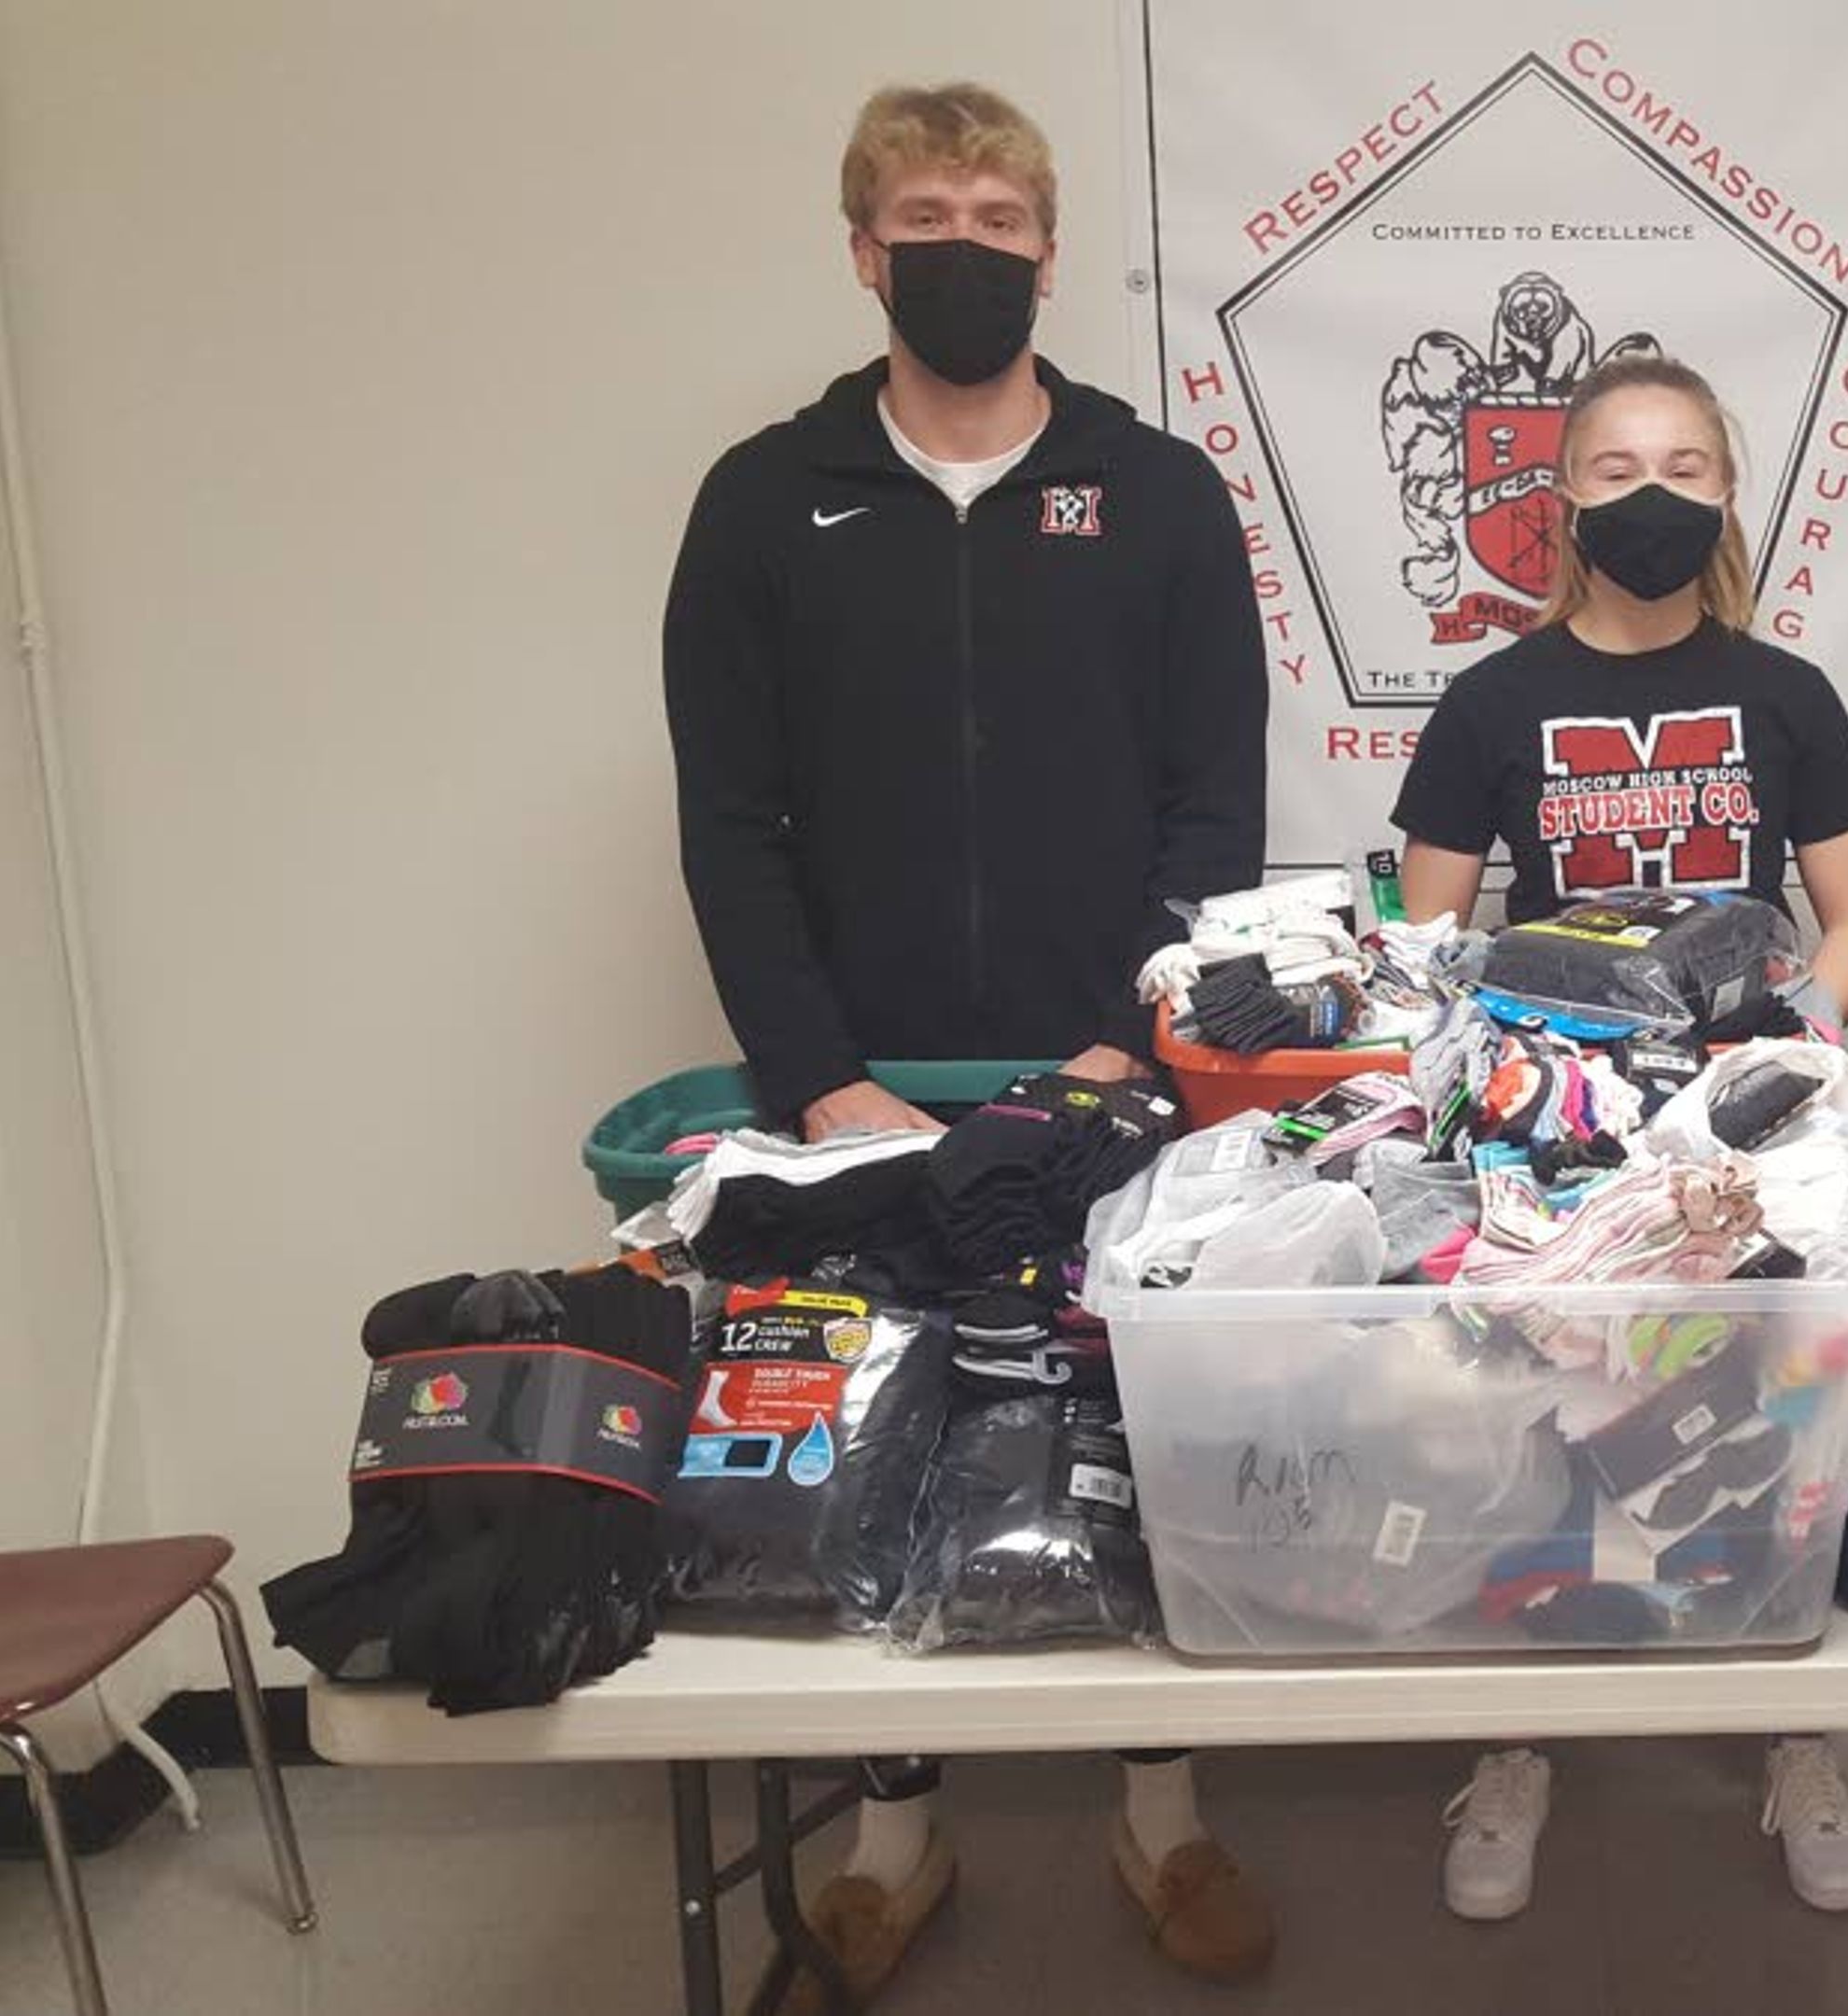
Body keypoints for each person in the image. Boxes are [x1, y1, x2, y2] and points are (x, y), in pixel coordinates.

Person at [661, 83, 1274, 2000]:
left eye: (1002, 217)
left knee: (1124, 1423)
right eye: (928, 213)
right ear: (863, 249)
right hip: (865, 1083)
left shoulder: (1157, 492)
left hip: (1112, 1072)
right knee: (891, 1429)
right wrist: (813, 1074)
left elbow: (1213, 809)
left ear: (1047, 253)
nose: (968, 245)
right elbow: (727, 821)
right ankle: (896, 1830)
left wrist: (1130, 1047)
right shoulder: (767, 501)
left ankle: (1163, 1815)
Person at [1389, 353, 1848, 1920]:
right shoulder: (1493, 702)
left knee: (1778, 1426)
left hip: (1746, 1130)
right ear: (1562, 499)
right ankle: (1520, 1738)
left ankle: (1793, 1731)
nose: (1652, 497)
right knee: (1544, 1416)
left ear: (1729, 491)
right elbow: (1428, 925)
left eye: (1685, 466)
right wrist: (1517, 1071)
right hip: (1561, 1123)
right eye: (1616, 471)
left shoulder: (1786, 693)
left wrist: (1791, 1056)